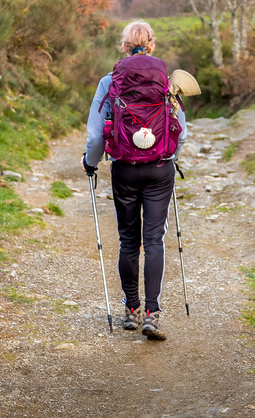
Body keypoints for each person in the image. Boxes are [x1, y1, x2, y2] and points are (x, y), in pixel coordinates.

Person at [82, 20, 187, 341]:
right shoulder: (168, 82)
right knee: (154, 240)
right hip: (160, 168)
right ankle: (152, 315)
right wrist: (170, 155)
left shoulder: (109, 81)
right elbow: (181, 130)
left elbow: (97, 134)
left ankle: (131, 309)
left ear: (123, 46)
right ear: (151, 45)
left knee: (129, 240)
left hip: (124, 168)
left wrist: (90, 163)